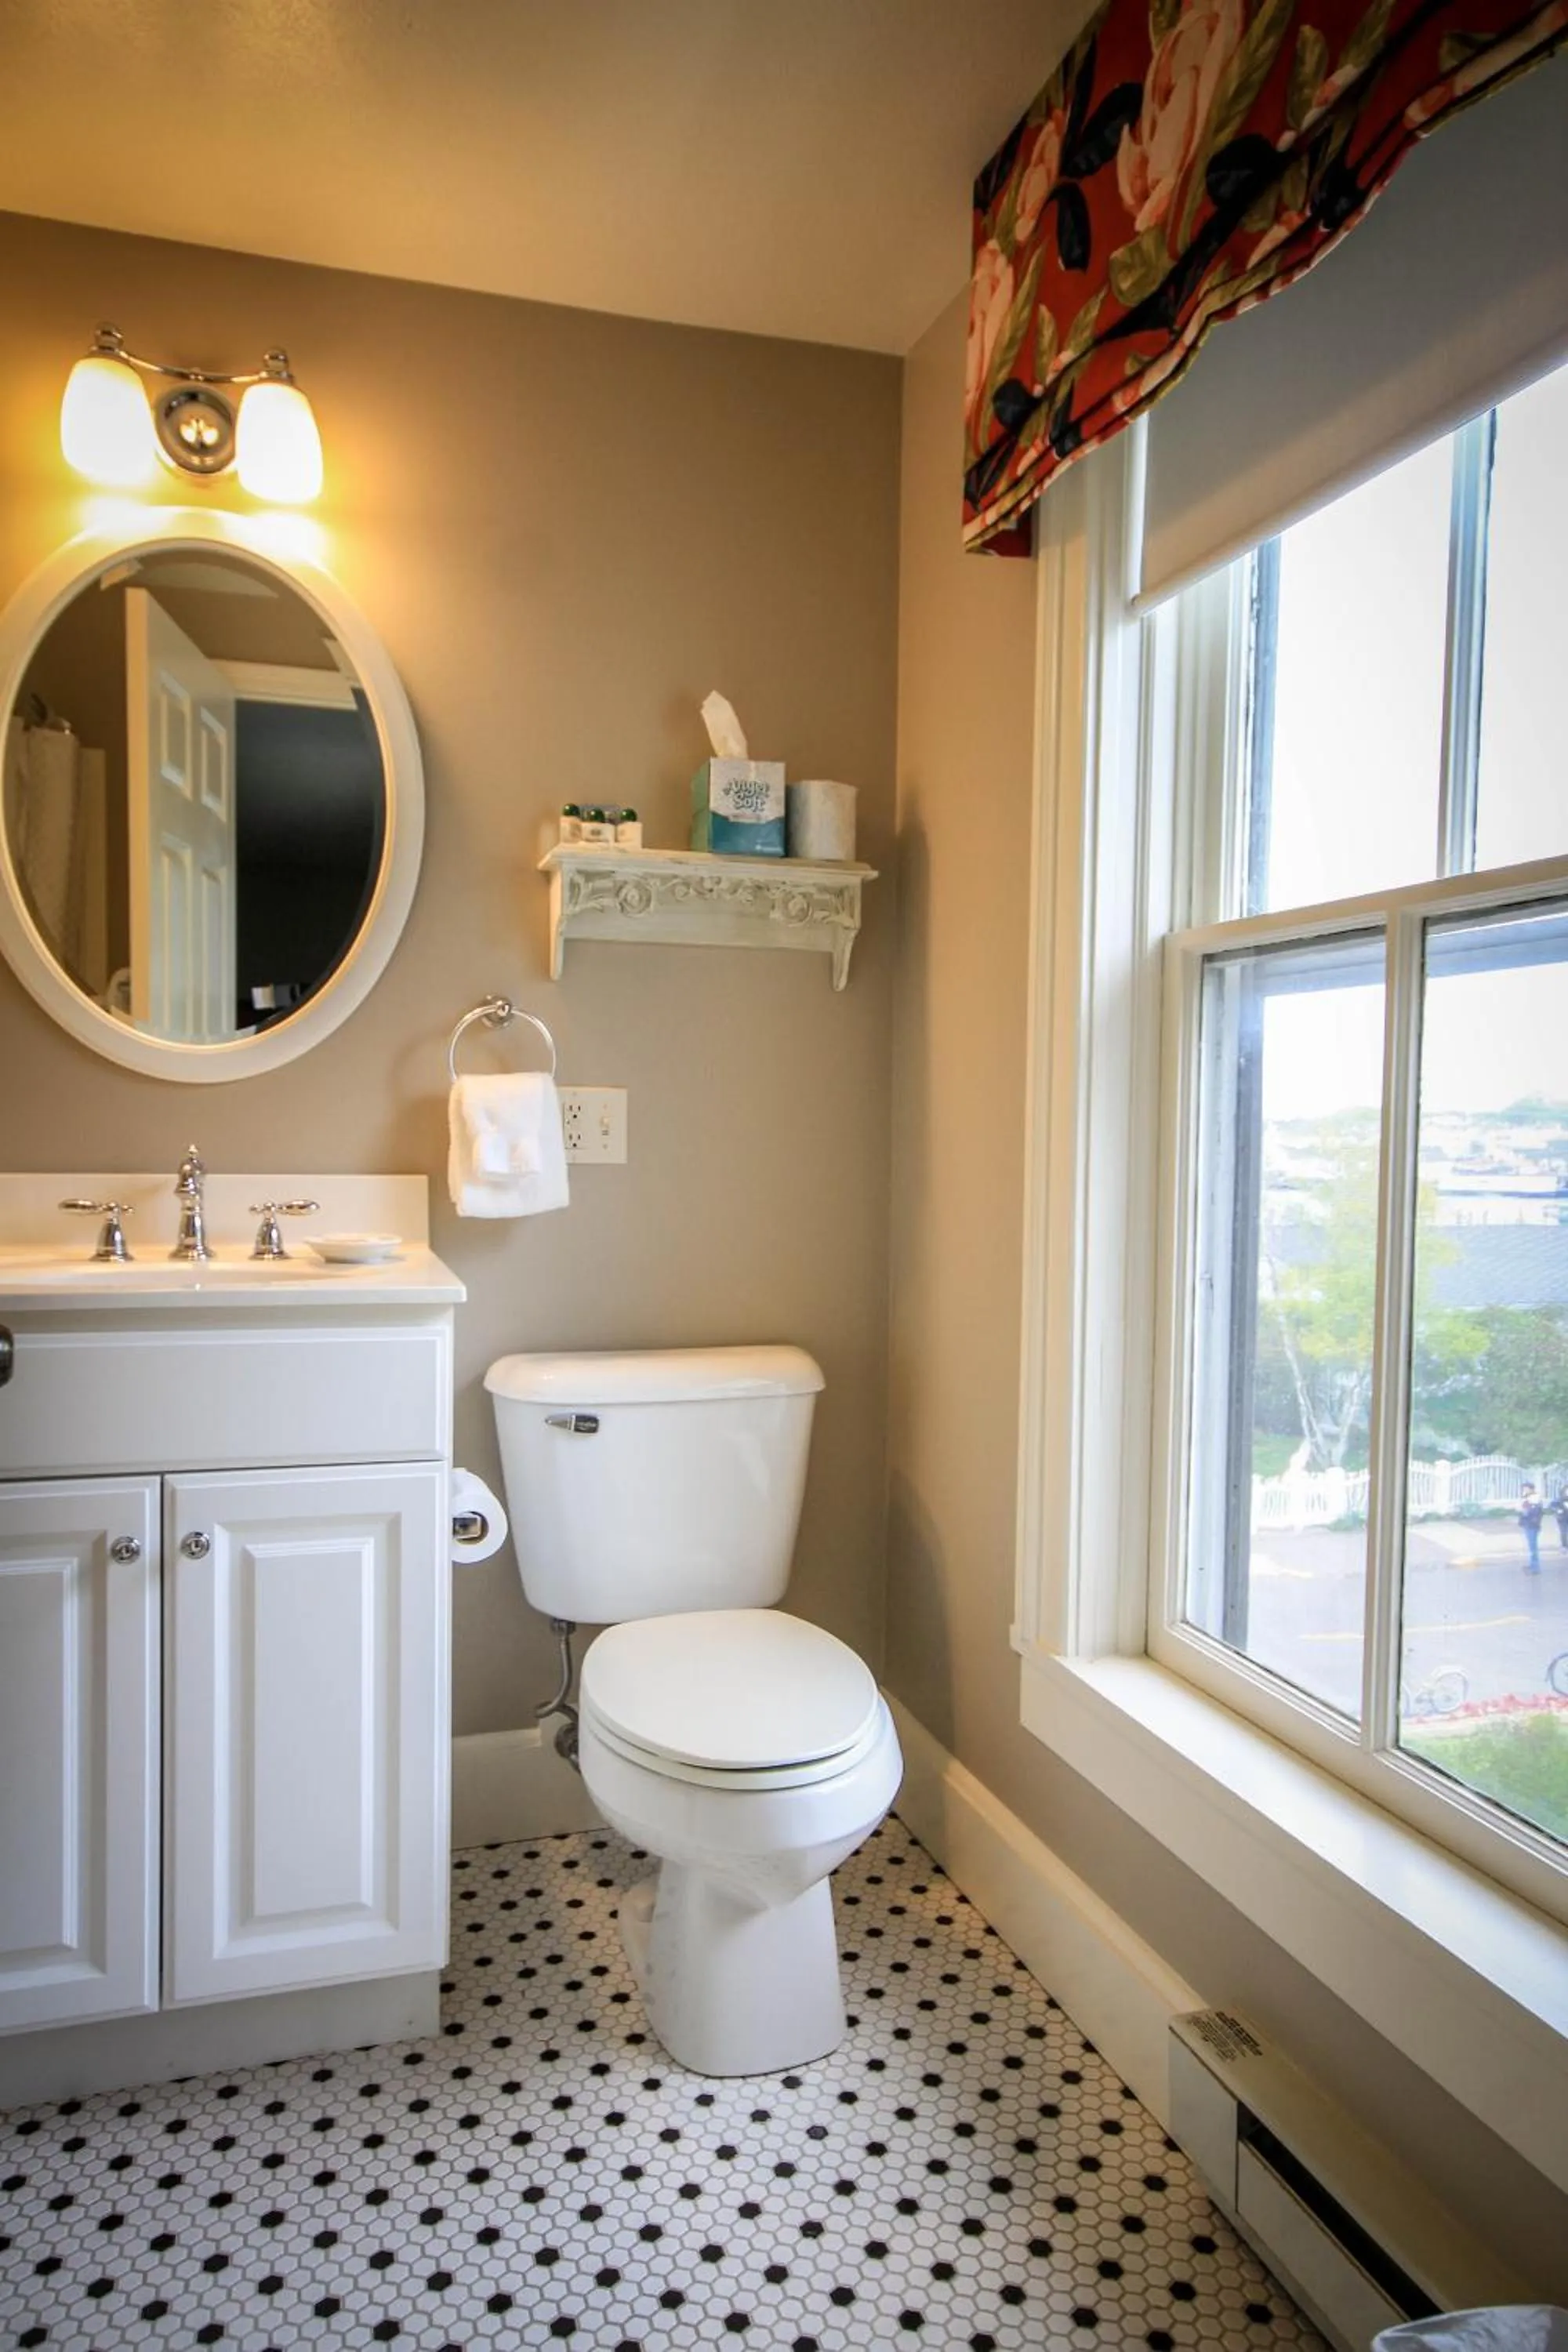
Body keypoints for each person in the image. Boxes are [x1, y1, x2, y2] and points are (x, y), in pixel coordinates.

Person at [1519, 1482, 1544, 1574]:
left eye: (1526, 1489)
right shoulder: (1528, 1498)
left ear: (1531, 1489)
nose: (1524, 1490)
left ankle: (1535, 1568)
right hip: (1528, 1524)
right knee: (1531, 1546)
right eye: (1524, 1489)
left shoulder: (1535, 1499)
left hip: (1532, 1525)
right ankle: (1532, 1565)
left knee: (1533, 1547)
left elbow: (1533, 1512)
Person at [1555, 1484, 1568, 1550]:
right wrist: (1557, 1510)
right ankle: (1564, 1546)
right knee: (1563, 1532)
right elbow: (1552, 1506)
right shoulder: (1559, 1499)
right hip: (1562, 1519)